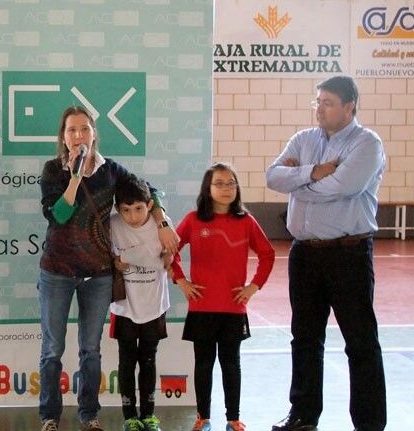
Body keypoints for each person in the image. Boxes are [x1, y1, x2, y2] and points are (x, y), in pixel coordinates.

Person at [38, 106, 179, 431]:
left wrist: (162, 221)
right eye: (72, 130)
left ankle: (89, 416)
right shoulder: (52, 170)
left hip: (98, 275)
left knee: (90, 349)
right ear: (63, 136)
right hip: (57, 273)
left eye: (85, 129)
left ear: (94, 134)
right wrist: (75, 178)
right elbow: (58, 216)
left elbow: (148, 191)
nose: (79, 136)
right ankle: (49, 417)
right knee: (53, 349)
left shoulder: (110, 170)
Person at [266, 75, 387, 431]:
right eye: (317, 101)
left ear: (350, 107)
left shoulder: (366, 144)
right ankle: (303, 415)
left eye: (328, 103)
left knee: (360, 341)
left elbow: (345, 186)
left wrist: (299, 183)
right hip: (304, 254)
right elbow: (273, 177)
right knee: (304, 337)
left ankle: (369, 423)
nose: (319, 109)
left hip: (348, 254)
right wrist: (314, 173)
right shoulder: (303, 140)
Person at [171, 162, 275, 431]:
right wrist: (180, 280)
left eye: (231, 183)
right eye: (219, 183)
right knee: (204, 364)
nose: (226, 188)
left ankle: (233, 418)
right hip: (202, 309)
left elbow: (267, 254)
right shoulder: (193, 220)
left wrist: (254, 286)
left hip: (233, 309)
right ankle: (203, 418)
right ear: (208, 188)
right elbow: (170, 250)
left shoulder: (246, 221)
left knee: (231, 364)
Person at [108, 174, 173, 431]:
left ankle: (148, 415)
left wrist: (130, 257)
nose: (133, 216)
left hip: (154, 305)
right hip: (125, 307)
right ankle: (129, 417)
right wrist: (120, 262)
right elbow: (109, 258)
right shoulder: (112, 225)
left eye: (138, 209)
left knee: (148, 359)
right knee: (126, 361)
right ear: (117, 209)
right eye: (126, 210)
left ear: (150, 205)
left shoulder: (163, 226)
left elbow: (166, 260)